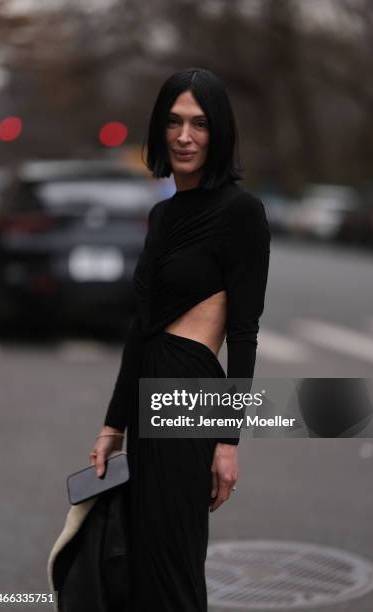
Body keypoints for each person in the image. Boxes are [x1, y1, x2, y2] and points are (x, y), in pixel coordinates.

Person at [89, 67, 271, 611]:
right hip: (148, 401)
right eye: (173, 122)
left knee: (171, 572)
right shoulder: (162, 214)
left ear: (219, 134)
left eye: (198, 123)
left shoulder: (242, 213)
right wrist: (112, 424)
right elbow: (139, 328)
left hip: (188, 395)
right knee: (143, 566)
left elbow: (244, 335)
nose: (184, 136)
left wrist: (227, 441)